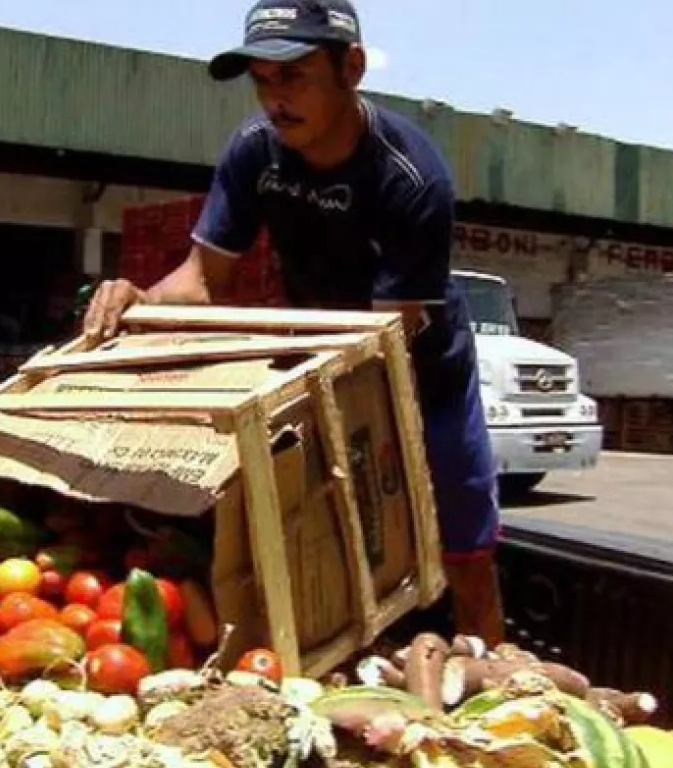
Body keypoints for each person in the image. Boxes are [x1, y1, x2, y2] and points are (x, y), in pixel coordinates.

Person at [83, 0, 505, 644]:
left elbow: (388, 334)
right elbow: (201, 278)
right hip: (317, 361)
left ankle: (496, 675)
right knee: (323, 550)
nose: (275, 99)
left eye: (295, 76)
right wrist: (138, 302)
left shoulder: (412, 177)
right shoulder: (256, 151)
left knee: (464, 556)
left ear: (352, 68)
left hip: (421, 372)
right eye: (262, 80)